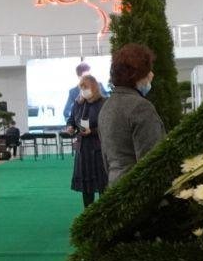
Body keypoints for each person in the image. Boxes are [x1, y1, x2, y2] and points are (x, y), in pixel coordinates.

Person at [98, 43, 166, 187]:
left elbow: (105, 158)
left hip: (115, 185)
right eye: (148, 71)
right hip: (137, 190)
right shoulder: (141, 107)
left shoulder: (107, 106)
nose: (151, 75)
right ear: (137, 75)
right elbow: (151, 161)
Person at [65, 74, 107, 207]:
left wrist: (92, 131)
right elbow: (71, 120)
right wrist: (70, 127)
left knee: (103, 185)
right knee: (86, 187)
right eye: (81, 88)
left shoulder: (103, 103)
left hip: (98, 150)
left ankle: (105, 213)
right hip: (83, 151)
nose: (83, 90)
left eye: (86, 87)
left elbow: (107, 126)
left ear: (94, 87)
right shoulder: (77, 104)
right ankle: (88, 214)